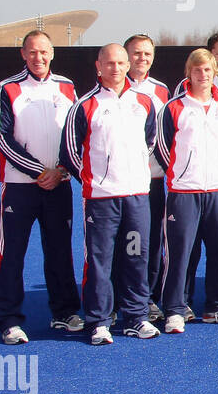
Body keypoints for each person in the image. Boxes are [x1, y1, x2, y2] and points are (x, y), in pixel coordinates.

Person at [60, 43, 160, 345]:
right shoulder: (84, 105)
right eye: (109, 63)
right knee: (100, 259)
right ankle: (99, 321)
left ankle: (136, 316)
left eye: (120, 63)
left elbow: (150, 142)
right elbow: (69, 152)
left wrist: (134, 174)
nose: (115, 68)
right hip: (101, 199)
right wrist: (95, 179)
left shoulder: (143, 102)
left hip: (136, 197)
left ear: (127, 65)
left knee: (136, 256)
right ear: (98, 66)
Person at [0, 30, 82, 344]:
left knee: (60, 251)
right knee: (11, 254)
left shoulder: (67, 87)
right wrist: (38, 170)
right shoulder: (8, 88)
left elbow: (76, 133)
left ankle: (64, 312)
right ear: (23, 54)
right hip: (19, 187)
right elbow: (3, 137)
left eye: (43, 52)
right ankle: (9, 319)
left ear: (52, 53)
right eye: (32, 52)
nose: (38, 58)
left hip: (60, 184)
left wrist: (62, 169)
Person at [154, 49, 218, 332]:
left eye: (208, 70)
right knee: (180, 253)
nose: (203, 75)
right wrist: (183, 172)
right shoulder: (173, 108)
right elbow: (163, 147)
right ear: (188, 74)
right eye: (198, 70)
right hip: (184, 191)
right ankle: (176, 309)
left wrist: (216, 169)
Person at [122, 34, 171, 321]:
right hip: (119, 184)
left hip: (152, 181)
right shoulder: (109, 88)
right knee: (121, 244)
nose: (142, 58)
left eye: (147, 54)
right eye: (136, 53)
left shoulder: (162, 90)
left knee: (153, 243)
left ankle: (151, 297)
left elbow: (166, 134)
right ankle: (119, 298)